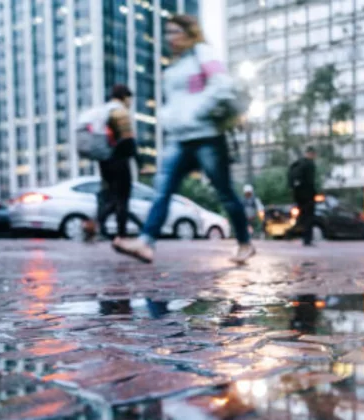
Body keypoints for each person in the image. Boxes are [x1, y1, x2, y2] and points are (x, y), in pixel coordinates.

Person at [113, 15, 255, 264]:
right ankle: (146, 242)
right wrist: (168, 118)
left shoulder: (203, 53)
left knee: (225, 193)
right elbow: (174, 103)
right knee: (162, 190)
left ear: (190, 33)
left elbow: (221, 84)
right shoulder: (176, 66)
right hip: (180, 138)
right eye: (167, 32)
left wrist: (196, 113)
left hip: (207, 136)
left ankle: (244, 242)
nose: (171, 37)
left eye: (176, 31)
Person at [82, 84, 143, 241]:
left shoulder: (103, 111)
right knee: (122, 198)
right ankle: (121, 235)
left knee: (111, 197)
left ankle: (92, 225)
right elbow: (129, 139)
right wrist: (139, 163)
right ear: (124, 97)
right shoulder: (120, 112)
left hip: (105, 162)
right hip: (120, 160)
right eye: (129, 98)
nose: (130, 102)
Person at [289, 146, 318, 247]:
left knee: (303, 216)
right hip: (307, 195)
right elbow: (310, 181)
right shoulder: (309, 164)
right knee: (309, 217)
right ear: (311, 153)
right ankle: (307, 239)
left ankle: (297, 235)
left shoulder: (297, 163)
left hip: (298, 195)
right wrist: (313, 193)